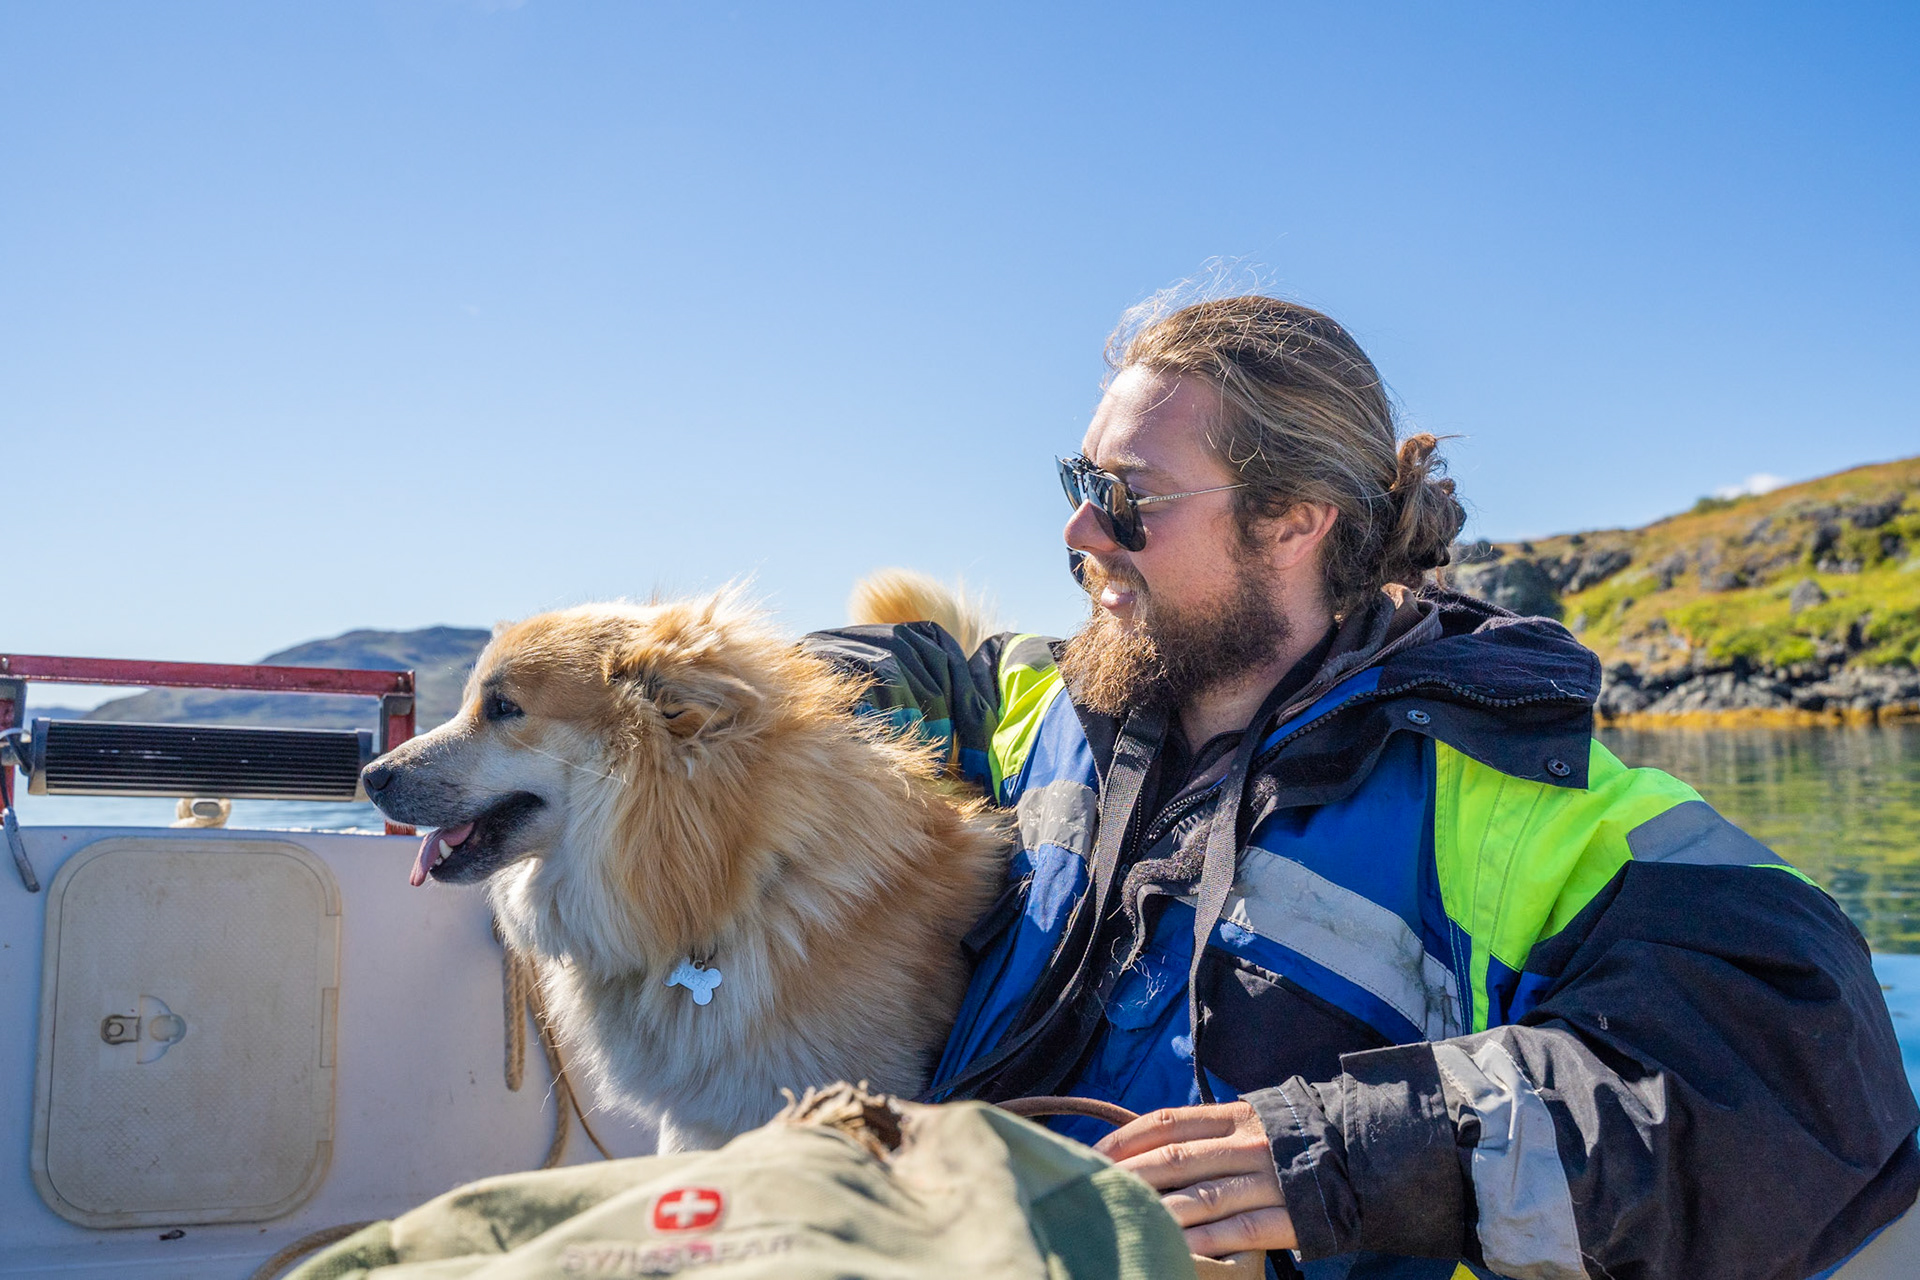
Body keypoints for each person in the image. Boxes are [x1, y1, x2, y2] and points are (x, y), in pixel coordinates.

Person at [806, 293, 1919, 1280]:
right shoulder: (1056, 706)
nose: (1080, 530)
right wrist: (742, 690)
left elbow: (1803, 1054)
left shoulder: (1494, 793)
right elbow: (931, 679)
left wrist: (1356, 1153)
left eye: (1128, 496)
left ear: (1294, 519)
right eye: (1077, 480)